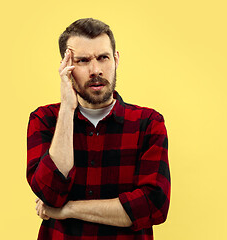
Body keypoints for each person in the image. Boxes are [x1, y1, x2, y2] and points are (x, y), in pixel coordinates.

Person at [26, 18, 170, 240]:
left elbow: (153, 206)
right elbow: (50, 194)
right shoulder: (45, 120)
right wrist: (67, 109)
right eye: (82, 61)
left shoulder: (148, 123)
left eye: (103, 58)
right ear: (66, 67)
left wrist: (68, 210)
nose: (95, 70)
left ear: (116, 59)